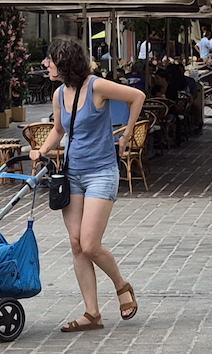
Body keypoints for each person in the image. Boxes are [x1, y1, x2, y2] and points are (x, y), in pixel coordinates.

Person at [33, 35, 144, 332]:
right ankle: (92, 313)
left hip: (101, 172)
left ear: (65, 62)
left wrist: (127, 135)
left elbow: (137, 97)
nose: (46, 65)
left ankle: (122, 286)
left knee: (89, 244)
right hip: (73, 174)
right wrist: (41, 151)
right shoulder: (59, 95)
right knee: (76, 244)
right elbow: (58, 130)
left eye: (51, 60)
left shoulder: (96, 86)